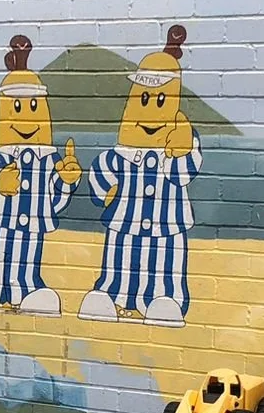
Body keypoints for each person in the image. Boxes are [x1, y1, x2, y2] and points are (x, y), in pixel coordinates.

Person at [80, 25, 200, 326]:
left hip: (167, 226)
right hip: (124, 223)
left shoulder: (181, 139)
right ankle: (112, 296)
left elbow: (184, 173)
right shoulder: (121, 152)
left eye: (161, 101)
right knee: (118, 265)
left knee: (165, 265)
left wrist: (181, 148)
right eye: (143, 100)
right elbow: (101, 173)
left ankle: (166, 300)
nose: (150, 111)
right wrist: (99, 188)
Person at [0, 35, 80, 314]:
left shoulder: (47, 162)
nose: (26, 117)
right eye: (18, 107)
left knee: (25, 264)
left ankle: (25, 291)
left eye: (34, 107)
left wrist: (64, 181)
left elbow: (53, 202)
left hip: (29, 230)